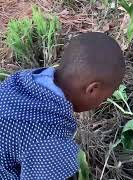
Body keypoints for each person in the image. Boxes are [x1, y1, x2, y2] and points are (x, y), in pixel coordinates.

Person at [0, 32, 125, 179]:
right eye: (106, 97)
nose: (102, 103)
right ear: (92, 89)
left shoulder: (21, 80)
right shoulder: (51, 142)